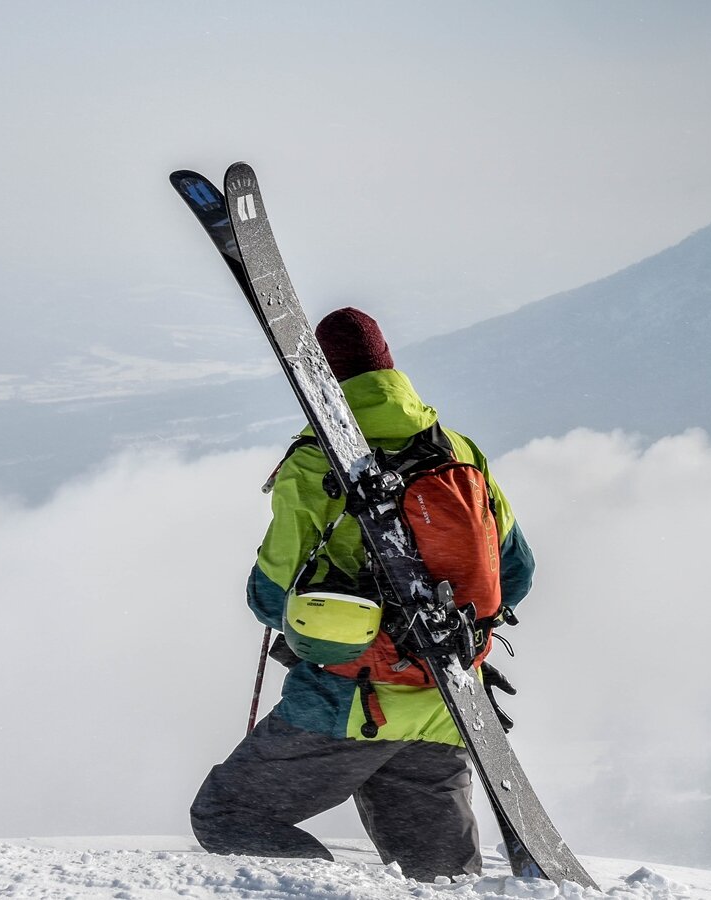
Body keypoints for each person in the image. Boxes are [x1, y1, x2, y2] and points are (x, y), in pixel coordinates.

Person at [190, 307, 535, 881]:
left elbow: (272, 597)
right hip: (448, 703)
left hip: (348, 701)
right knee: (439, 876)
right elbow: (516, 573)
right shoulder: (457, 450)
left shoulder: (314, 461)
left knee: (229, 815)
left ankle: (331, 892)